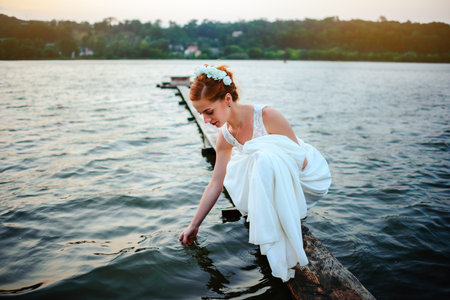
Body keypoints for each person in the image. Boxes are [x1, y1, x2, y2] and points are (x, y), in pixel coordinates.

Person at [179, 65, 331, 282]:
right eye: (201, 114)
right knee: (251, 161)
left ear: (227, 99)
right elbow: (215, 184)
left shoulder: (268, 115)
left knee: (260, 158)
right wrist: (194, 224)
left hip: (302, 176)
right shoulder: (226, 136)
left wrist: (266, 159)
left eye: (209, 111)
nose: (206, 120)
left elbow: (299, 160)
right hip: (267, 175)